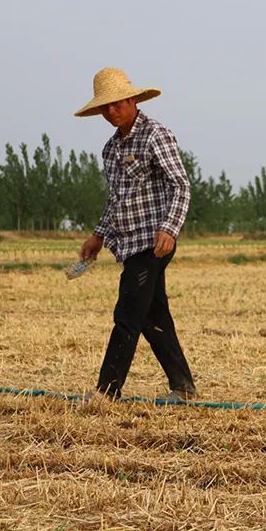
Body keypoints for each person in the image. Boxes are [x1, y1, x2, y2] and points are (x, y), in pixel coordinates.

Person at [75, 67, 195, 402]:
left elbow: (181, 185)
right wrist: (97, 236)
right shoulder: (110, 150)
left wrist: (169, 228)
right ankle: (183, 387)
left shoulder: (156, 135)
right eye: (105, 107)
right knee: (153, 315)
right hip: (128, 243)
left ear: (132, 99)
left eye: (117, 104)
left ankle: (107, 391)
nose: (111, 111)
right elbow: (116, 200)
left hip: (154, 242)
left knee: (127, 313)